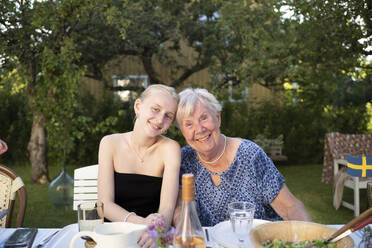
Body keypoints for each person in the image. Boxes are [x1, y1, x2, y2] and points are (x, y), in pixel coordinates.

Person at [173, 88, 313, 227]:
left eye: (204, 118)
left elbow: (290, 207)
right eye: (189, 124)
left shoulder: (249, 155)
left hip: (259, 240)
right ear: (182, 131)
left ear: (218, 118)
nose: (199, 129)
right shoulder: (184, 160)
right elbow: (180, 209)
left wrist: (311, 238)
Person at [98, 84, 181, 248]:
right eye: (155, 109)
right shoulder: (110, 143)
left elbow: (167, 207)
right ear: (138, 106)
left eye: (168, 116)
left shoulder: (171, 149)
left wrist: (156, 230)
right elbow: (104, 205)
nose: (159, 120)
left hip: (149, 236)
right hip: (112, 235)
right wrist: (142, 223)